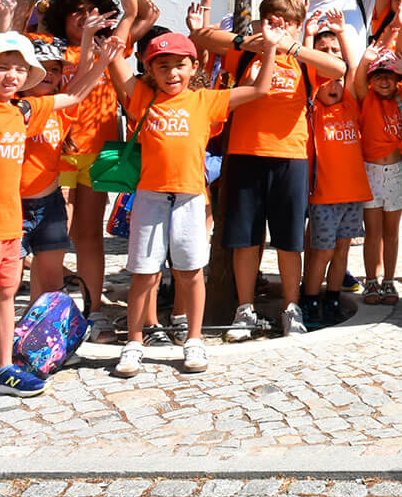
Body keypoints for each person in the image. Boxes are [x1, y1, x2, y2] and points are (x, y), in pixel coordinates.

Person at [0, 16, 115, 412]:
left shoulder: (25, 112)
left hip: (9, 225)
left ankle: (2, 369)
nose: (11, 75)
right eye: (2, 66)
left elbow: (75, 96)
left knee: (4, 297)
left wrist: (102, 61)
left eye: (19, 68)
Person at [178, 0, 346, 340]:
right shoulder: (247, 50)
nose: (277, 25)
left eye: (285, 21)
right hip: (244, 153)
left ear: (298, 25)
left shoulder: (302, 60)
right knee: (245, 238)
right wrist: (252, 41)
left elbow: (339, 69)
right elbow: (203, 36)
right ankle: (245, 310)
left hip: (291, 157)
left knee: (288, 240)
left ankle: (291, 307)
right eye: (272, 19)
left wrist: (290, 47)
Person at [106, 25, 276, 377]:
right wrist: (128, 12)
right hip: (150, 196)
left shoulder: (205, 100)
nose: (172, 73)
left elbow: (260, 88)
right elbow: (117, 63)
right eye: (163, 66)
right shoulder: (143, 97)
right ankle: (134, 343)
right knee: (144, 272)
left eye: (180, 65)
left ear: (194, 67)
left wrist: (271, 48)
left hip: (190, 198)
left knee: (191, 272)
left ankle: (193, 340)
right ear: (150, 70)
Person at [43, 0, 124, 335]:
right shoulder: (50, 49)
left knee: (90, 235)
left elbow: (139, 13)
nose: (85, 17)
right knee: (56, 233)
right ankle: (51, 308)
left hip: (106, 150)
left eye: (93, 10)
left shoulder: (114, 48)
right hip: (58, 150)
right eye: (77, 10)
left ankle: (93, 308)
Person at [304, 23, 369, 329]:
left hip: (353, 194)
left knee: (342, 250)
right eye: (326, 82)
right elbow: (306, 68)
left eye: (337, 82)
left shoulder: (350, 104)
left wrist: (344, 35)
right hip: (324, 196)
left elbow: (353, 70)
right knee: (322, 251)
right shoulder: (311, 106)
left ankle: (332, 298)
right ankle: (311, 299)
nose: (333, 86)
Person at [359, 10, 402, 304]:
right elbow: (356, 83)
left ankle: (390, 281)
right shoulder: (366, 99)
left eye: (389, 77)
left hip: (395, 173)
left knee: (392, 232)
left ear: (396, 81)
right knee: (373, 233)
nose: (384, 81)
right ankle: (371, 281)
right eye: (378, 76)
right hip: (370, 172)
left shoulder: (400, 98)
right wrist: (364, 62)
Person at [17, 39, 74, 300]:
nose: (49, 74)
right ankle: (2, 336)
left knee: (48, 274)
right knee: (8, 277)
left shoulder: (61, 108)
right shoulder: (13, 107)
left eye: (55, 69)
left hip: (49, 201)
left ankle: (37, 324)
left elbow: (82, 82)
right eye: (43, 67)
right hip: (13, 203)